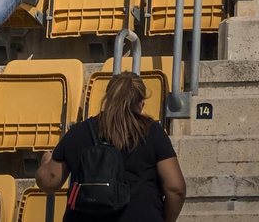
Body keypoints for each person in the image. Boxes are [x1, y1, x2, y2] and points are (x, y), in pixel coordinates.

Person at [37, 72, 185, 222]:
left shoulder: (79, 132)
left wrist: (45, 161)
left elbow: (49, 183)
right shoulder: (152, 132)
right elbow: (176, 188)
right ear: (141, 102)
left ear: (108, 98)